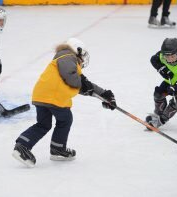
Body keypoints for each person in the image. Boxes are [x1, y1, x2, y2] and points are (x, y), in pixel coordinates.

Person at [12, 38, 117, 167]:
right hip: (54, 97)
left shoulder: (63, 61)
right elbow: (74, 79)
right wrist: (83, 83)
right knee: (65, 119)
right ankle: (58, 149)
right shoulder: (67, 56)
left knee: (43, 124)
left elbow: (79, 84)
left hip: (42, 95)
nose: (83, 59)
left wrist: (104, 94)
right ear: (76, 50)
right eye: (82, 55)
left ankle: (22, 146)